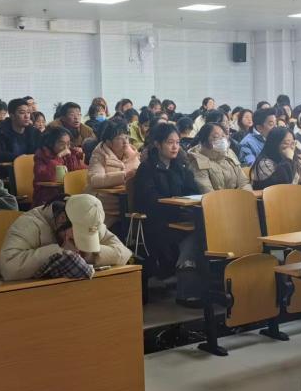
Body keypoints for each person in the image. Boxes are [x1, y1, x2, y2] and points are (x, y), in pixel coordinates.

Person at [0, 194, 132, 391]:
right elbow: (9, 266)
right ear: (61, 220)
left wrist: (90, 254)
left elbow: (122, 252)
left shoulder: (88, 215)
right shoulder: (30, 224)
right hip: (34, 311)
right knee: (44, 357)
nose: (78, 245)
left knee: (106, 340)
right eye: (73, 237)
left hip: (77, 307)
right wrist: (58, 251)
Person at [133, 122, 200, 304]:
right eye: (170, 142)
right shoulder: (147, 168)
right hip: (157, 221)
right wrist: (176, 205)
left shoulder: (180, 166)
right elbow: (149, 199)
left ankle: (194, 284)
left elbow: (193, 190)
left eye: (177, 142)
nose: (175, 147)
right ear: (157, 144)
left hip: (180, 216)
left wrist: (185, 204)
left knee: (204, 227)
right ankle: (186, 290)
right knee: (195, 233)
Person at [85, 120, 139, 229]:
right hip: (106, 207)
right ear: (108, 142)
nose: (125, 142)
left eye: (126, 137)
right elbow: (95, 180)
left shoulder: (132, 154)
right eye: (119, 138)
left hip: (129, 202)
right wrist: (124, 176)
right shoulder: (99, 155)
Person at [187, 123, 250, 193]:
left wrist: (244, 196)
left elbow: (243, 182)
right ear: (204, 141)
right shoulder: (198, 161)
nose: (222, 140)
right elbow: (207, 192)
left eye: (223, 136)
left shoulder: (229, 153)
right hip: (217, 199)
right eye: (216, 137)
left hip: (237, 197)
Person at [32, 127, 85, 206]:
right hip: (47, 196)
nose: (66, 147)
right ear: (51, 143)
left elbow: (77, 171)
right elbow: (47, 177)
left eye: (68, 144)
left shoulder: (70, 152)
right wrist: (58, 157)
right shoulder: (42, 155)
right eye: (61, 144)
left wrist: (75, 156)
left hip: (68, 193)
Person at [0, 98, 38, 162]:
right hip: (7, 167)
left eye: (28, 112)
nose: (27, 116)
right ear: (12, 116)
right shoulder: (0, 132)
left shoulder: (34, 132)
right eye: (22, 113)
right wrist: (19, 158)